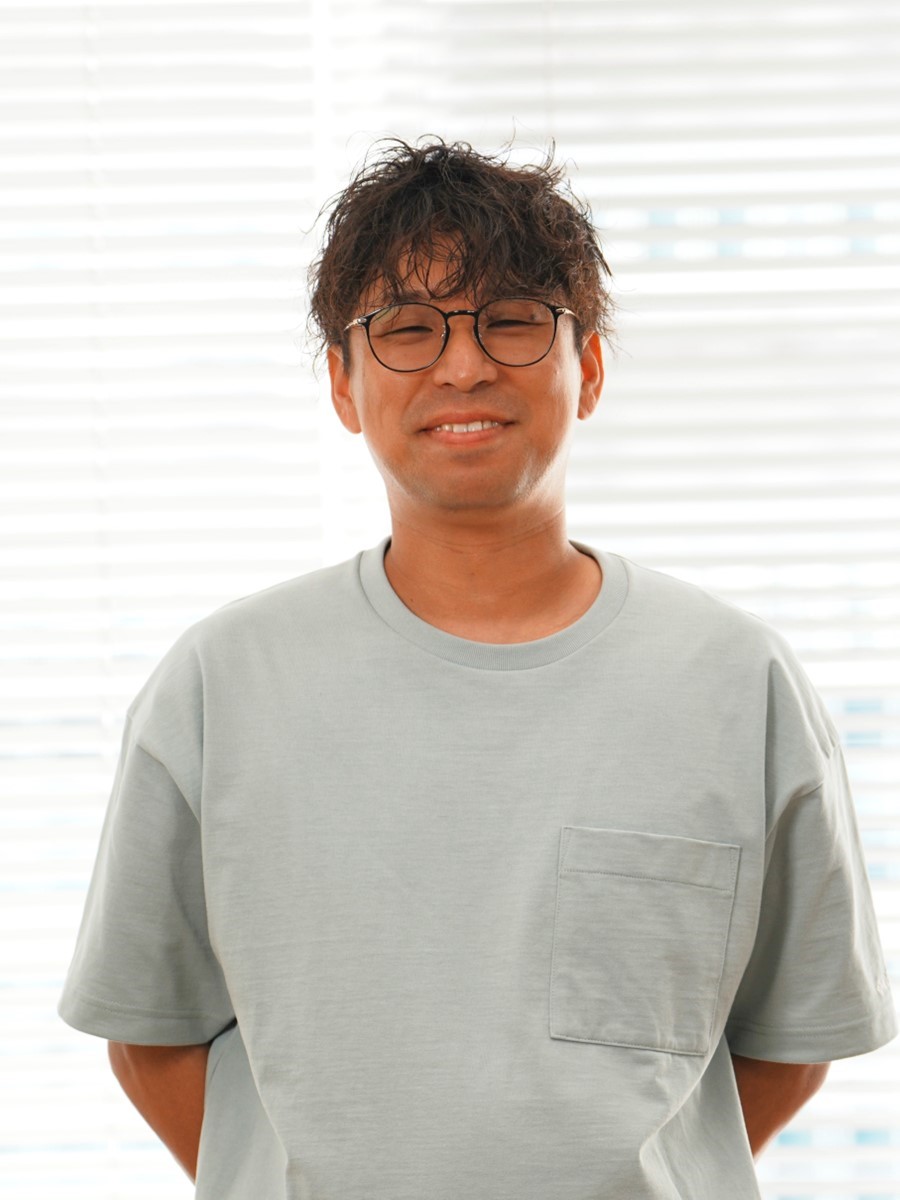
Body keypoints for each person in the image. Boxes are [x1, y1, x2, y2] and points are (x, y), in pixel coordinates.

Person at [59, 138, 896, 1200]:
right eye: (408, 329)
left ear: (589, 368)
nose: (463, 367)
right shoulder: (219, 684)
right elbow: (150, 1035)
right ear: (342, 382)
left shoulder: (737, 681)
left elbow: (791, 1039)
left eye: (512, 320)